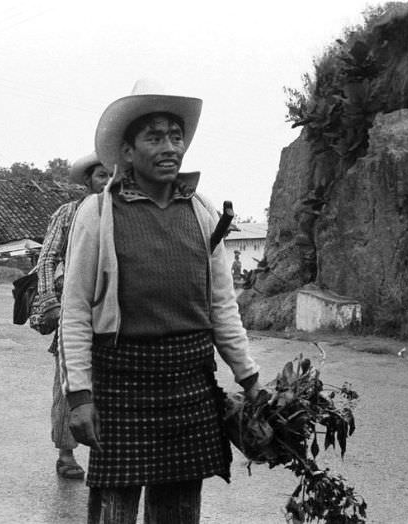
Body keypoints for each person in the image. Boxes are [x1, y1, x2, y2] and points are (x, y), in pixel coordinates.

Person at [58, 80, 262, 524]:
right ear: (127, 152)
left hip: (189, 384)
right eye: (154, 137)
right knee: (113, 511)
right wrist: (79, 397)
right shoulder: (98, 213)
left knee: (180, 512)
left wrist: (250, 379)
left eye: (175, 136)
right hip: (121, 383)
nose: (170, 147)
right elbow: (75, 311)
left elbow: (222, 306)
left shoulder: (202, 211)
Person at [33, 152, 110, 480]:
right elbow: (47, 258)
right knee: (70, 381)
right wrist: (50, 301)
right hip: (74, 306)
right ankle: (66, 453)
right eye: (101, 176)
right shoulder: (68, 213)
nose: (107, 182)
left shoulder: (126, 211)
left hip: (113, 312)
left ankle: (110, 452)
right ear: (88, 181)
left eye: (113, 176)